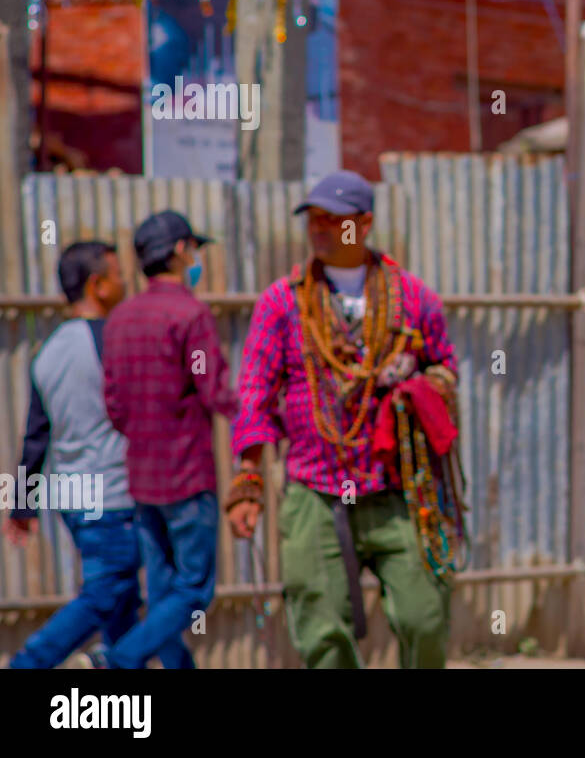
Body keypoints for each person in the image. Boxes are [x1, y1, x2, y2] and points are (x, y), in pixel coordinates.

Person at [229, 170, 463, 669]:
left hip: (396, 487)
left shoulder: (413, 298)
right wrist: (248, 479)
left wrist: (417, 383)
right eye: (313, 219)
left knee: (425, 616)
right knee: (321, 630)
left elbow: (446, 367)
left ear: (365, 223)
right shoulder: (283, 301)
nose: (320, 229)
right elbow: (254, 393)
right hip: (314, 488)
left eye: (334, 220)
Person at [99, 210, 238, 668]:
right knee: (193, 591)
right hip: (187, 477)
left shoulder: (119, 320)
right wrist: (258, 413)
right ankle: (116, 660)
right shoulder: (190, 315)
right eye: (193, 250)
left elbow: (115, 406)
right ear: (180, 251)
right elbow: (211, 388)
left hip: (143, 481)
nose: (196, 259)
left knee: (164, 597)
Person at [4, 241, 138, 668]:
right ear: (98, 285)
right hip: (110, 494)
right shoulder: (112, 340)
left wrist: (22, 505)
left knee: (124, 604)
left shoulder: (48, 352)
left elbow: (36, 436)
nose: (126, 283)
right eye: (119, 275)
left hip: (72, 496)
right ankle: (28, 664)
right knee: (105, 594)